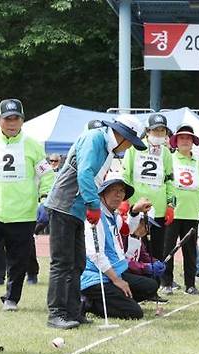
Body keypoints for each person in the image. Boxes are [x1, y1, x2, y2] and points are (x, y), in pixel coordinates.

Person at [44, 114, 146, 329]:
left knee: (78, 262)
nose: (128, 148)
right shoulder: (94, 138)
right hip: (65, 205)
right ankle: (57, 313)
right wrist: (93, 205)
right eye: (129, 143)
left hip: (78, 209)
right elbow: (85, 174)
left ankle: (73, 311)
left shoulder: (108, 148)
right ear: (122, 135)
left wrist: (90, 206)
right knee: (62, 262)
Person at [0, 99, 55, 312]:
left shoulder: (33, 144)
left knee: (19, 258)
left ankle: (12, 298)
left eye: (16, 119)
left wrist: (45, 198)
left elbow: (46, 174)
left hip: (23, 213)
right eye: (7, 119)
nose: (12, 123)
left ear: (22, 120)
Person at [80, 174, 156, 320]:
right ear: (102, 193)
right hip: (96, 277)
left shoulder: (114, 215)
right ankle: (87, 303)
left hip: (112, 272)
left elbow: (129, 230)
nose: (118, 195)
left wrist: (134, 211)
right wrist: (117, 280)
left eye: (121, 191)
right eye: (113, 190)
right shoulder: (96, 217)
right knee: (135, 313)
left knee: (150, 285)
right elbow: (96, 254)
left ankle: (113, 300)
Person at [161, 124, 199, 295]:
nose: (185, 141)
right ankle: (166, 282)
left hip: (191, 212)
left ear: (193, 142)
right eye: (182, 138)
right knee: (168, 249)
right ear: (176, 141)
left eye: (188, 138)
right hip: (172, 212)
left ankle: (190, 284)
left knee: (190, 251)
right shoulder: (170, 159)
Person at [122, 113, 174, 261]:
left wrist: (171, 204)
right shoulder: (133, 148)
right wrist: (125, 200)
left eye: (162, 131)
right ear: (147, 130)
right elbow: (125, 174)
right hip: (137, 205)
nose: (158, 134)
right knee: (136, 247)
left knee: (157, 250)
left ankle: (156, 281)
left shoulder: (166, 153)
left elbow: (170, 180)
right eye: (155, 130)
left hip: (159, 207)